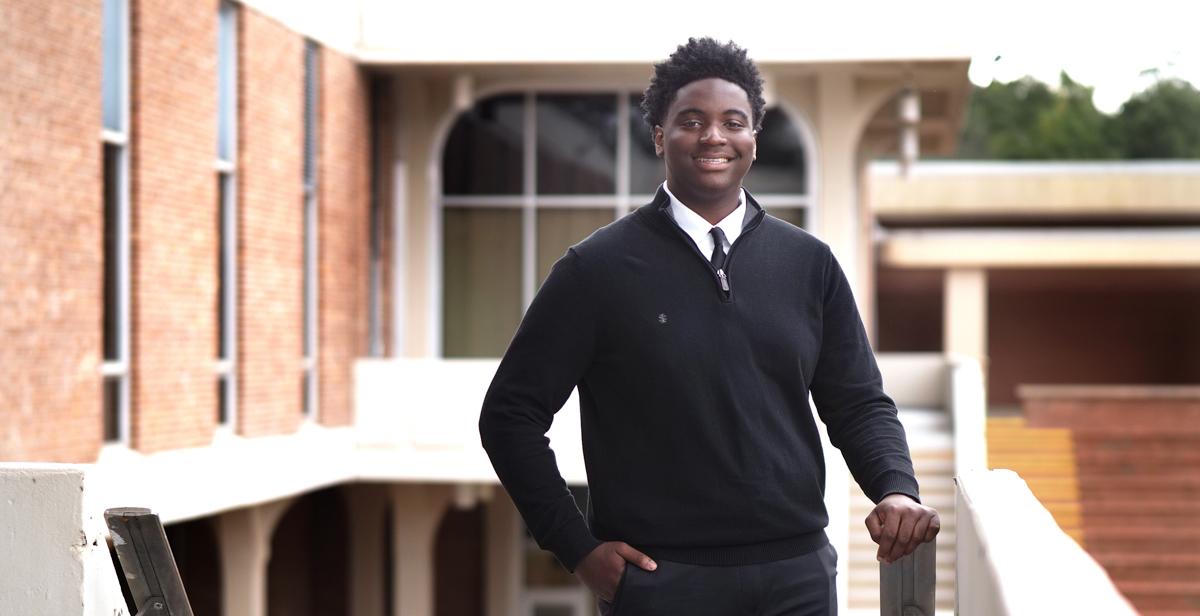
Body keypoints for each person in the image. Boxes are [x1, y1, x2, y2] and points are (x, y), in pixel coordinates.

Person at [479, 37, 939, 615]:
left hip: (796, 578)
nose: (714, 136)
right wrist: (576, 548)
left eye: (733, 122)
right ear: (658, 137)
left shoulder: (808, 264)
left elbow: (858, 403)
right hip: (660, 583)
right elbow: (509, 416)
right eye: (691, 121)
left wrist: (895, 487)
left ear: (753, 137)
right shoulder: (596, 270)